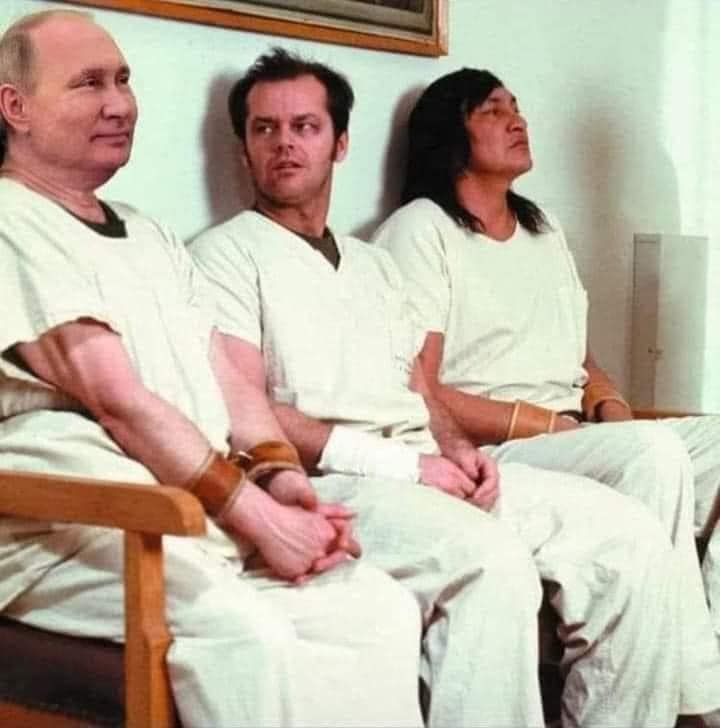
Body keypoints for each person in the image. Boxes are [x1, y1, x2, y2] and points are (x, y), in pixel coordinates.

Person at [191, 47, 687, 727]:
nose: (284, 144)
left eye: (305, 126)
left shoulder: (372, 266)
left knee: (631, 538)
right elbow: (248, 412)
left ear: (340, 144)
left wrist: (458, 453)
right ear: (243, 149)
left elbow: (423, 391)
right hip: (335, 482)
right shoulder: (224, 255)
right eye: (264, 129)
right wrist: (405, 465)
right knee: (492, 562)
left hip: (424, 467)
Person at [0, 11, 427, 727]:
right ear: (15, 107)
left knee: (376, 608)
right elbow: (118, 401)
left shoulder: (148, 233)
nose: (119, 103)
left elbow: (228, 378)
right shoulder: (11, 220)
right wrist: (257, 517)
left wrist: (283, 479)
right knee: (250, 638)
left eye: (124, 80)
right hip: (74, 525)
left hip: (191, 507)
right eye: (89, 84)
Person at [372, 67, 720, 722]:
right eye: (492, 110)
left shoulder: (542, 227)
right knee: (650, 454)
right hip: (498, 451)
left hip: (579, 436)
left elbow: (578, 358)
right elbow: (421, 386)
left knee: (704, 445)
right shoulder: (421, 230)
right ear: (450, 134)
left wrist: (612, 409)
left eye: (517, 106)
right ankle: (692, 698)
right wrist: (550, 428)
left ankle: (699, 665)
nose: (517, 119)